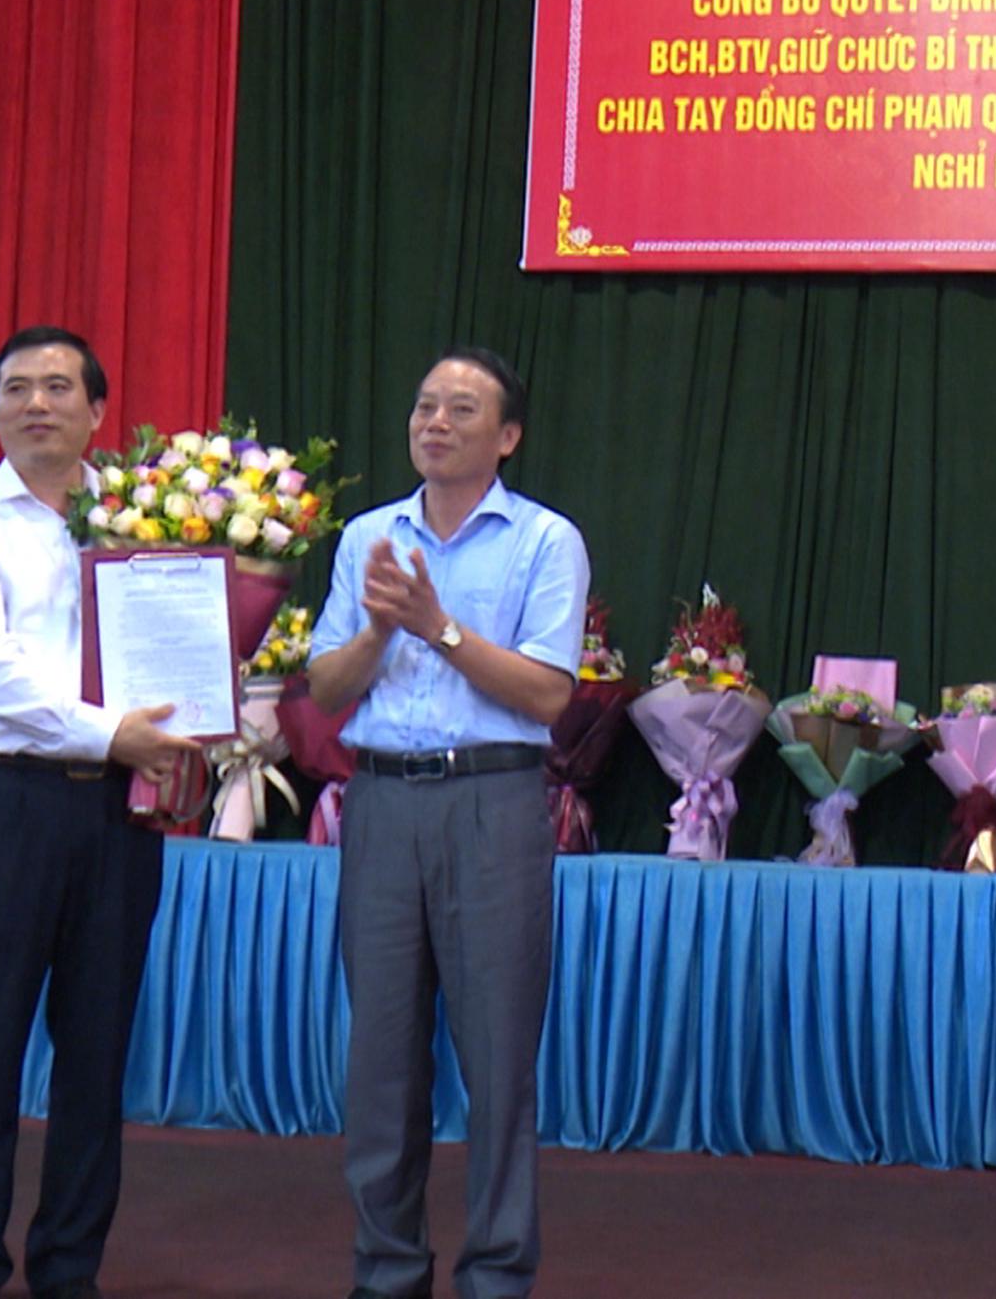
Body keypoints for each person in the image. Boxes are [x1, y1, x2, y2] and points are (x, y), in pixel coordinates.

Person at [0, 325, 197, 1299]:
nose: (36, 403)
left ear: (97, 409)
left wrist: (202, 714)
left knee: (96, 1051)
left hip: (120, 815)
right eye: (17, 388)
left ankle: (70, 1266)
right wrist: (110, 732)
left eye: (58, 387)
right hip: (9, 805)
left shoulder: (143, 515)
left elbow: (182, 639)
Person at [307, 346, 588, 1299]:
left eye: (461, 410)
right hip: (383, 802)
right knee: (380, 1059)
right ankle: (386, 1271)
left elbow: (548, 694)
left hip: (492, 803)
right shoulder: (367, 537)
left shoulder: (545, 541)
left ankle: (497, 1273)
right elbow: (326, 688)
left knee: (499, 1058)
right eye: (425, 406)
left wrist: (437, 626)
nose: (435, 422)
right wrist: (380, 630)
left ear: (507, 436)